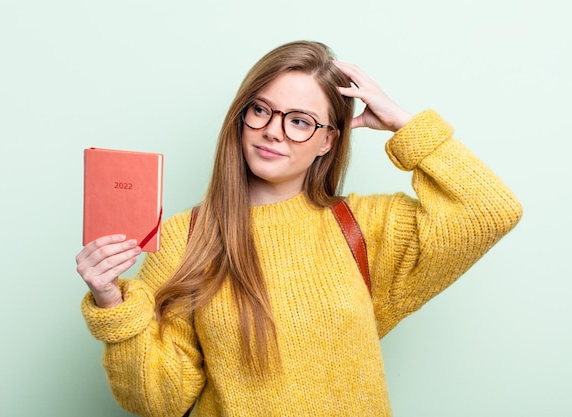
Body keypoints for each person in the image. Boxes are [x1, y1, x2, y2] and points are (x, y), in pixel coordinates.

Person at [76, 41, 522, 417]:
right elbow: (159, 399)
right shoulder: (185, 237)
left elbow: (491, 209)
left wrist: (402, 124)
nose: (273, 131)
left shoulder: (365, 227)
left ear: (329, 139)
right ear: (240, 117)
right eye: (261, 110)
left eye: (299, 120)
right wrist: (111, 301)